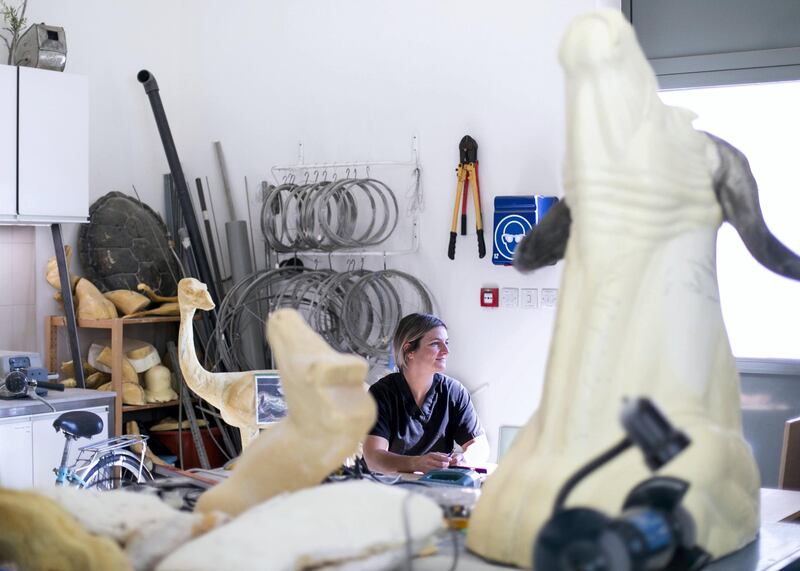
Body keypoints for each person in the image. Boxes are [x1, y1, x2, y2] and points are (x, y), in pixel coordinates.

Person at [363, 313, 489, 474]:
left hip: (435, 488)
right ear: (409, 350)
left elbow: (481, 447)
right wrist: (415, 463)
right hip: (387, 489)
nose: (446, 351)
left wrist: (465, 458)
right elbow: (374, 459)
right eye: (436, 344)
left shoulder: (454, 392)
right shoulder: (381, 394)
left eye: (446, 343)